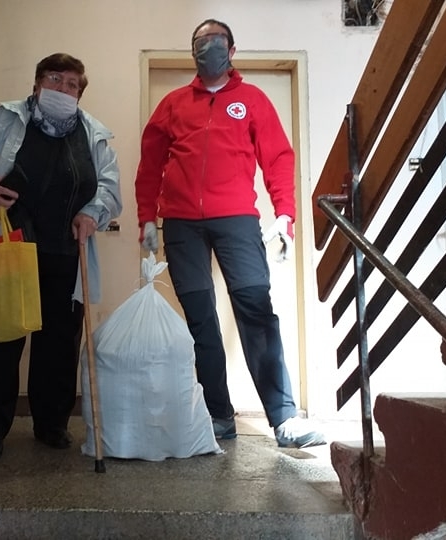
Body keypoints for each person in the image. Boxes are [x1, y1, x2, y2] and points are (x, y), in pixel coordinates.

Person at [134, 19, 325, 449]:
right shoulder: (172, 104)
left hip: (237, 220)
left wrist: (285, 215)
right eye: (201, 42)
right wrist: (146, 218)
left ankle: (284, 418)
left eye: (216, 41)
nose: (209, 48)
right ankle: (218, 415)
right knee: (200, 317)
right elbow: (150, 166)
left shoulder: (252, 100)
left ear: (232, 50)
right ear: (192, 52)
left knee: (256, 309)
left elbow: (278, 158)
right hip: (181, 223)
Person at [0, 53, 123, 460]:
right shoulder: (1, 120)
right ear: (37, 83)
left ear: (80, 94)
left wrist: (92, 212)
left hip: (66, 251)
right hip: (7, 246)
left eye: (72, 84)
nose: (62, 89)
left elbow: (110, 188)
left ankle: (52, 423)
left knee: (59, 345)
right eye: (54, 79)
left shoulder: (95, 134)